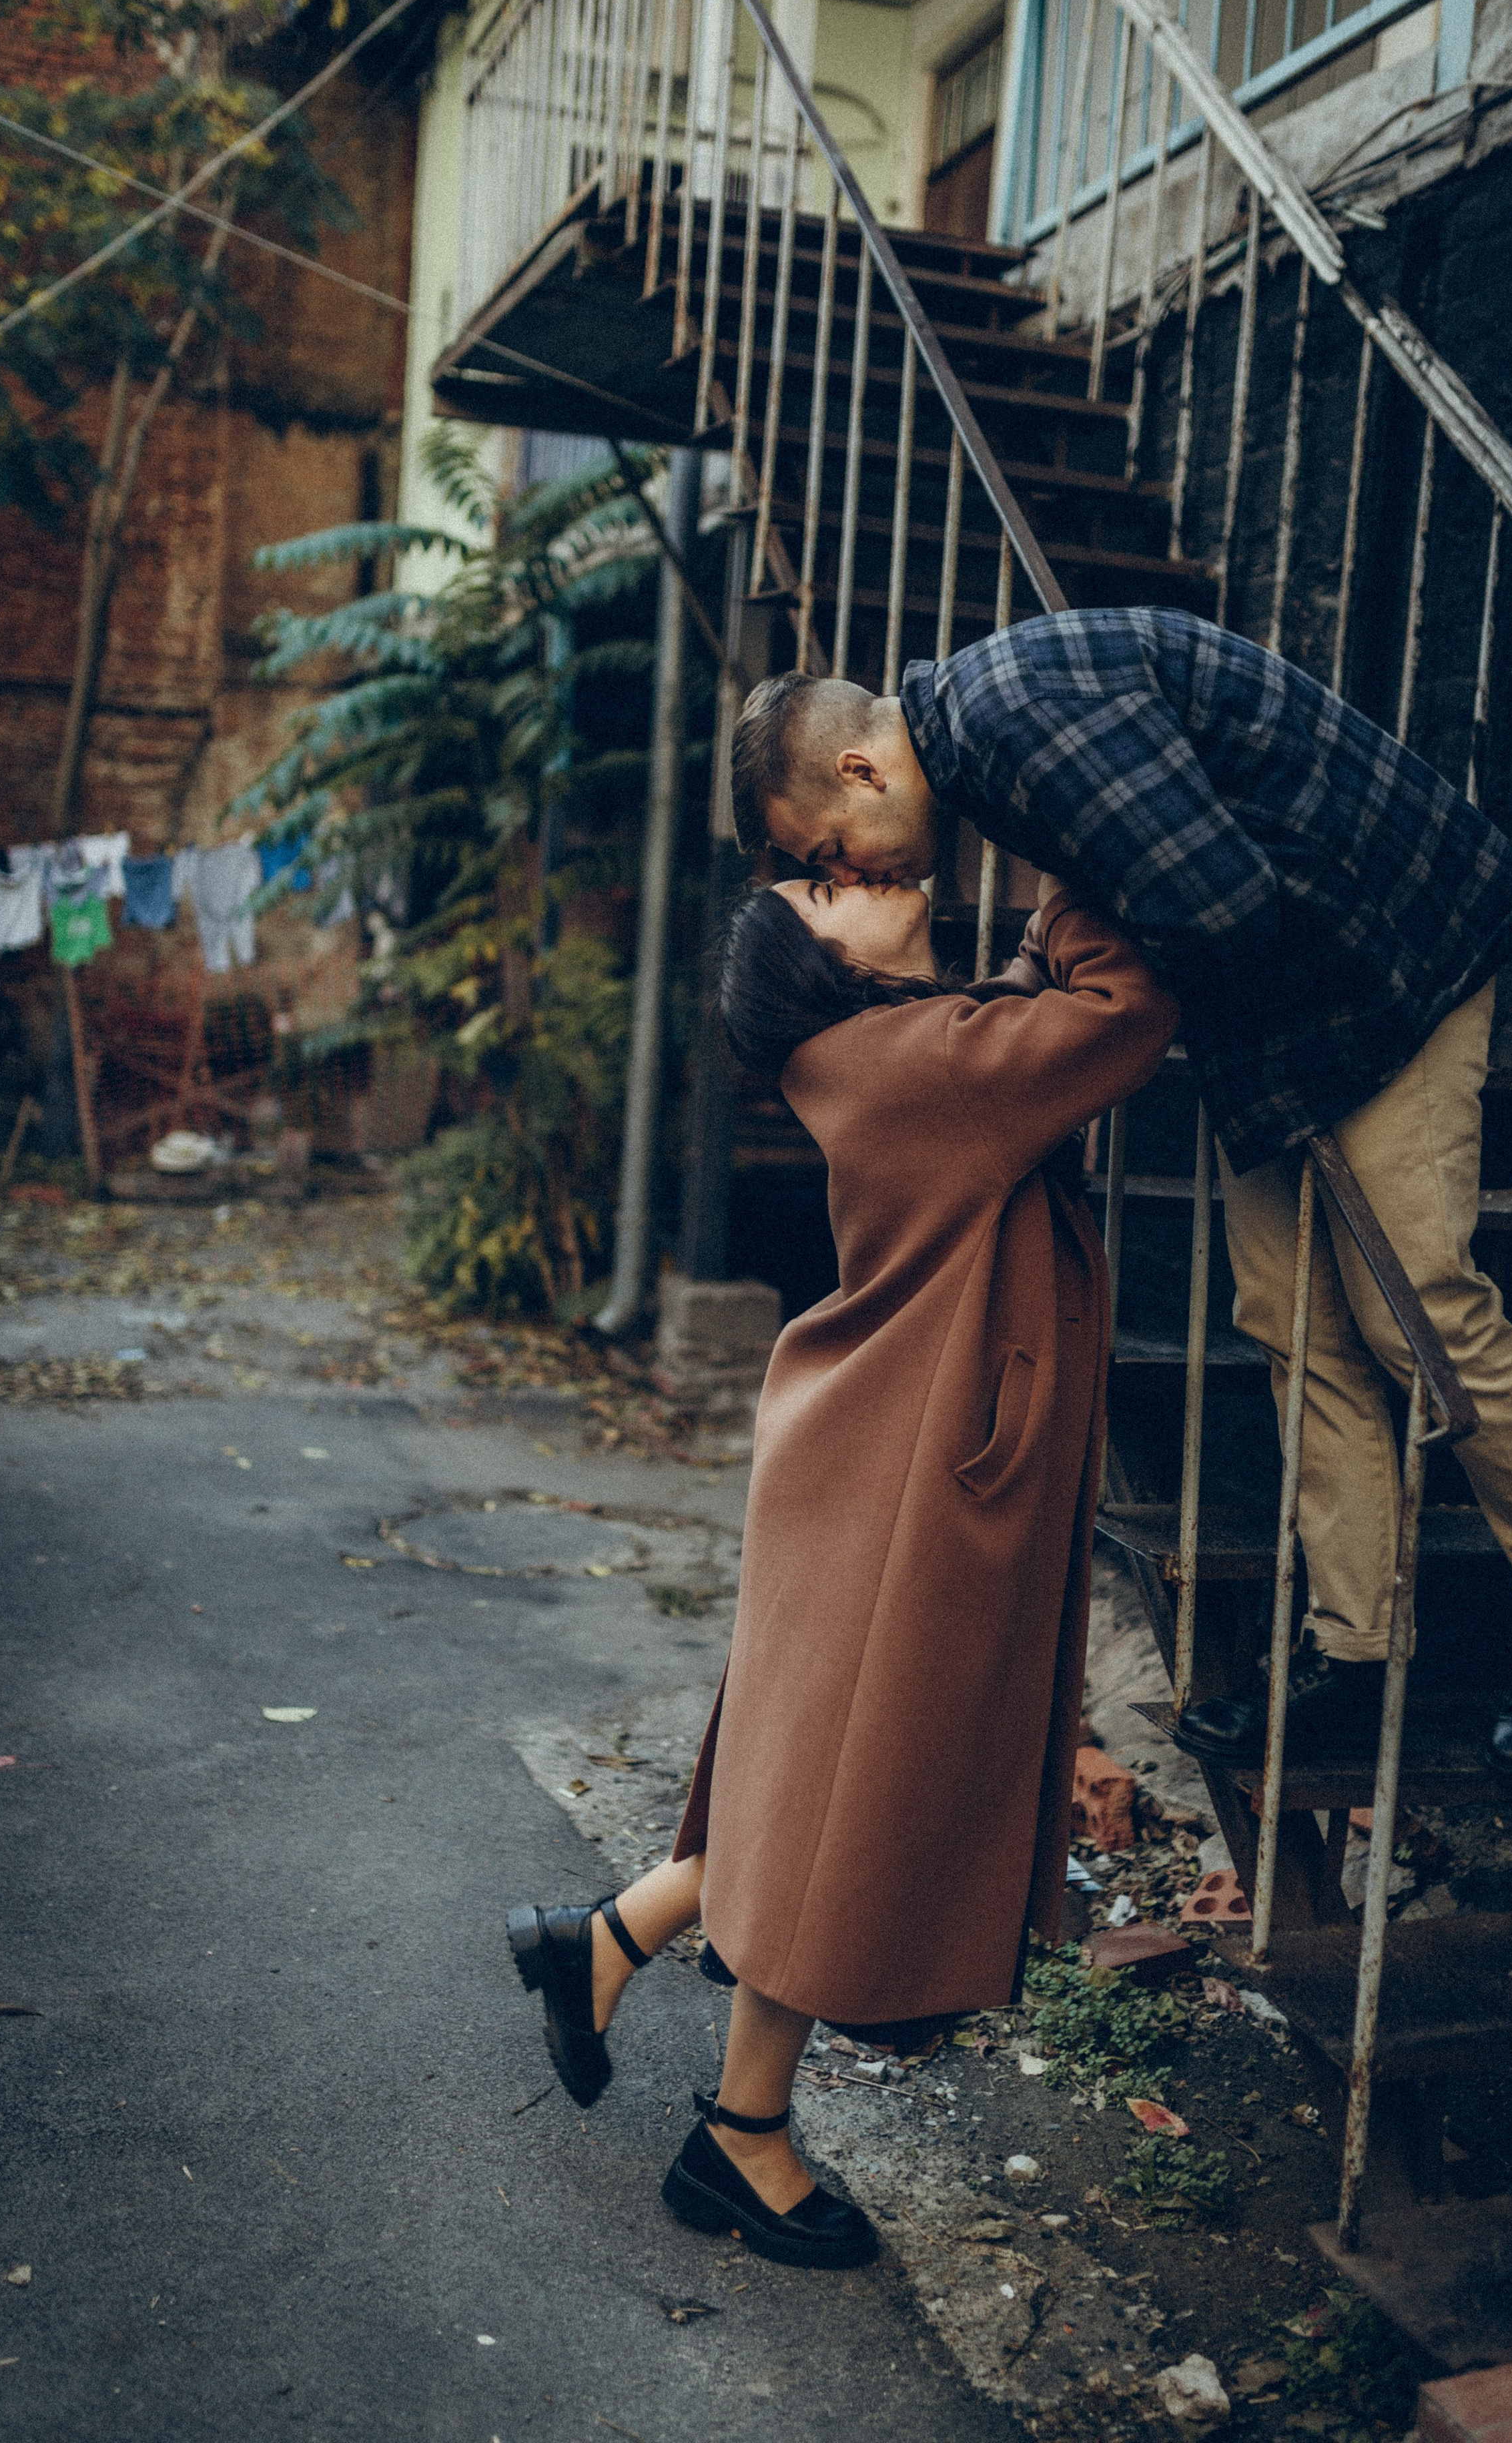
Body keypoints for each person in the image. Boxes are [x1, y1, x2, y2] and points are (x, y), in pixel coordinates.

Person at [729, 607, 1512, 1779]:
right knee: (1291, 1318)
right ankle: (1358, 1657)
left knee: (1423, 1306)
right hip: (1295, 1011)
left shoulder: (1015, 721)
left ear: (860, 766)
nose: (847, 872)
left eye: (829, 848)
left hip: (1397, 957)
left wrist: (1070, 977)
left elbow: (1218, 910)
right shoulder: (988, 742)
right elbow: (1160, 904)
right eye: (823, 877)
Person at [508, 874, 1178, 2268]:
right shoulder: (909, 1065)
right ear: (816, 961)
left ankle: (658, 2008)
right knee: (843, 1803)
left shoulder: (902, 1048)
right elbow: (1119, 1017)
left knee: (821, 1788)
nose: (878, 877)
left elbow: (1009, 1024)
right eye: (834, 884)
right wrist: (1069, 882)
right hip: (903, 1482)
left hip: (883, 1463)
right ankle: (725, 2113)